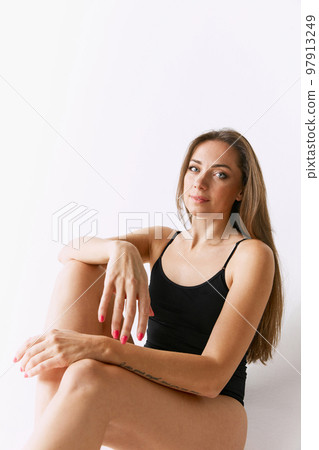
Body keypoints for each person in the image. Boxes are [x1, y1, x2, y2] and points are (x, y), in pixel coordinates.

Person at [14, 128, 283, 450]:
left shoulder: (251, 254)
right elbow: (69, 251)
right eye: (194, 168)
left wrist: (102, 349)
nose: (200, 182)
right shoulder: (161, 240)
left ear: (241, 190)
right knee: (80, 269)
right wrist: (120, 250)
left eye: (220, 174)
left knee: (88, 374)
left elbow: (212, 378)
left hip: (211, 414)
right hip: (147, 393)